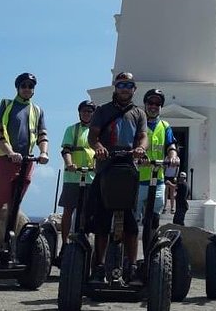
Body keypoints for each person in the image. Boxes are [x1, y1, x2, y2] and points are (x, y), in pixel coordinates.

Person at [87, 71, 147, 285]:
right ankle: (99, 266)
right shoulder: (103, 111)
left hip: (128, 169)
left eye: (129, 84)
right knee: (101, 218)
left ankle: (131, 266)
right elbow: (92, 135)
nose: (125, 88)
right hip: (106, 168)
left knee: (131, 221)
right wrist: (99, 147)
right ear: (115, 86)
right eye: (121, 84)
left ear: (134, 89)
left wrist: (140, 149)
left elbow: (142, 136)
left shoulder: (139, 113)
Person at [0, 72, 49, 259]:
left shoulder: (37, 110)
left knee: (15, 205)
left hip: (26, 162)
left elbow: (42, 135)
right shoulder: (6, 104)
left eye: (31, 86)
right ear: (18, 88)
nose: (27, 89)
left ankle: (8, 247)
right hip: (5, 160)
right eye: (24, 85)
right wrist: (9, 152)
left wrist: (44, 152)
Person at [137, 89, 180, 247]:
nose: (154, 106)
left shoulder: (164, 125)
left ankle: (151, 248)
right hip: (139, 177)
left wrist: (173, 155)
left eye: (157, 104)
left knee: (155, 215)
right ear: (145, 105)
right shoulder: (138, 123)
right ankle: (129, 256)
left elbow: (170, 144)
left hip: (158, 176)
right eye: (150, 103)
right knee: (134, 218)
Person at [58, 100, 96, 249]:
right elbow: (66, 150)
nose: (86, 114)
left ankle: (84, 239)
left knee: (88, 210)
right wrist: (69, 164)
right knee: (68, 209)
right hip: (73, 176)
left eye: (89, 111)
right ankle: (65, 243)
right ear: (80, 113)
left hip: (91, 177)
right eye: (84, 111)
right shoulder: (72, 129)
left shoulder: (97, 131)